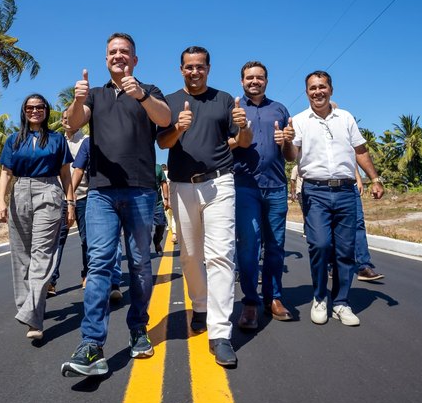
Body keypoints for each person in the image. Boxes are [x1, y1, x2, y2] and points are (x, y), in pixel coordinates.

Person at [60, 33, 171, 378]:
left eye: (125, 52)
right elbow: (73, 122)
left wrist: (140, 95)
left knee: (139, 264)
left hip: (140, 191)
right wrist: (77, 101)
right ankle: (92, 344)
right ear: (105, 58)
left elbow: (165, 120)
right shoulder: (94, 94)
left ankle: (138, 328)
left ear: (135, 60)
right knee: (100, 267)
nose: (118, 56)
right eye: (112, 52)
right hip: (102, 193)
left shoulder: (149, 89)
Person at [158, 45, 252, 368]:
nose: (194, 71)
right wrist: (178, 127)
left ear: (208, 68)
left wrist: (243, 124)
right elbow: (162, 143)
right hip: (182, 185)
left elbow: (243, 141)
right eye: (189, 67)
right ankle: (200, 306)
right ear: (180, 69)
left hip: (220, 183)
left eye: (200, 66)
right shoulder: (169, 102)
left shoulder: (225, 100)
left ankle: (220, 333)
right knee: (190, 254)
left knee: (220, 255)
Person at [292, 71, 384, 327]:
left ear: (331, 89)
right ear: (306, 91)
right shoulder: (299, 121)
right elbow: (291, 155)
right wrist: (287, 141)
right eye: (312, 88)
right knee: (320, 245)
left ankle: (341, 302)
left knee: (345, 250)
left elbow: (360, 150)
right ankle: (320, 298)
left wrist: (374, 178)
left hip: (345, 190)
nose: (317, 91)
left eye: (322, 87)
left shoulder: (346, 118)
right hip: (315, 191)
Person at [0, 94, 75, 340]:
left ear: (46, 110)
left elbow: (65, 174)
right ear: (24, 111)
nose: (35, 111)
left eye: (40, 107)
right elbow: (6, 172)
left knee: (42, 255)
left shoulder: (56, 139)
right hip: (20, 193)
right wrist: (0, 200)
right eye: (30, 108)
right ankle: (28, 307)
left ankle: (32, 316)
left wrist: (70, 203)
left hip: (49, 192)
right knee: (22, 256)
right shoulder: (13, 139)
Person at [231, 61, 297, 330]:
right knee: (248, 247)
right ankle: (249, 302)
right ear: (242, 81)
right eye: (249, 78)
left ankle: (274, 298)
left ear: (267, 81)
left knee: (276, 247)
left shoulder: (279, 109)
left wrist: (289, 141)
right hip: (244, 186)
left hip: (277, 187)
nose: (254, 81)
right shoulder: (234, 110)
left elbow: (291, 156)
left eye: (259, 77)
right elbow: (224, 146)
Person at [70, 137, 124, 299]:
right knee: (95, 243)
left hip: (122, 193)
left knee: (115, 241)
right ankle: (98, 283)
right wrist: (70, 195)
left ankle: (114, 283)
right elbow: (78, 169)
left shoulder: (121, 139)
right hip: (96, 195)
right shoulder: (88, 143)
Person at [47, 111, 89, 295]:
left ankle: (87, 274)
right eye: (64, 118)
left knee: (87, 239)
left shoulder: (87, 140)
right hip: (61, 199)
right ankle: (51, 280)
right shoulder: (56, 140)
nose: (66, 121)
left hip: (85, 196)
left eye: (70, 117)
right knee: (58, 240)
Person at [353, 170, 384, 281]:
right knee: (334, 225)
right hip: (324, 187)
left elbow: (354, 154)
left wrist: (358, 178)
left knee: (358, 224)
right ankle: (334, 264)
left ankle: (364, 266)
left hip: (350, 185)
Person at [152, 164, 170, 253]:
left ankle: (157, 241)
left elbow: (163, 183)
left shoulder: (158, 167)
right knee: (144, 229)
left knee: (161, 224)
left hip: (157, 203)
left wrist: (166, 199)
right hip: (142, 204)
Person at [161, 164, 177, 244]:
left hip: (165, 197)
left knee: (170, 216)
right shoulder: (171, 173)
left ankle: (174, 232)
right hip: (172, 195)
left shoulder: (163, 174)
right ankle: (174, 233)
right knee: (174, 216)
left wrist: (166, 199)